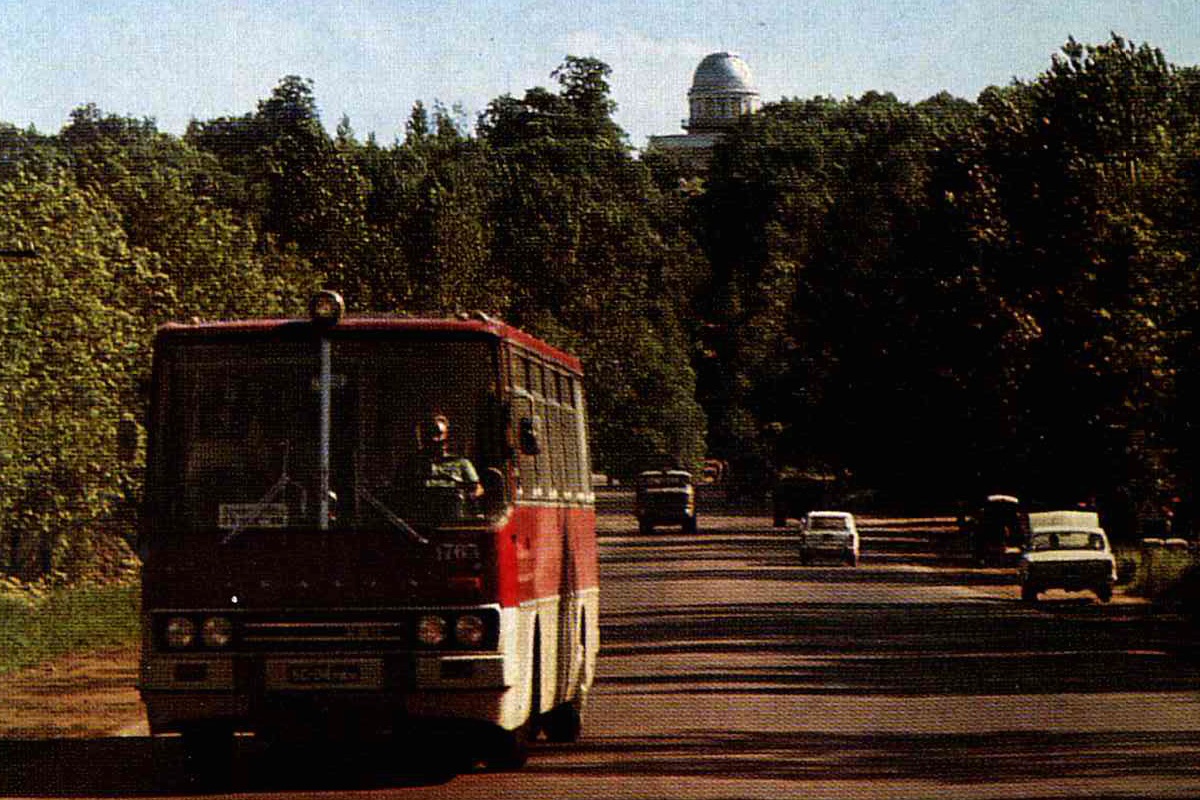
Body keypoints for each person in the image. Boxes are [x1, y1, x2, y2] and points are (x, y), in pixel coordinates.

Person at [413, 412, 483, 501]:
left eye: (440, 433)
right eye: (431, 434)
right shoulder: (411, 464)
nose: (436, 439)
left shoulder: (461, 462)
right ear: (422, 437)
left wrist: (464, 497)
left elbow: (478, 489)